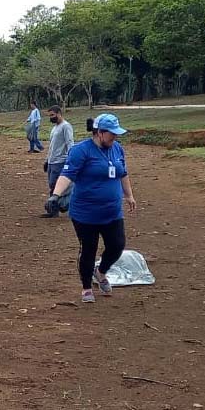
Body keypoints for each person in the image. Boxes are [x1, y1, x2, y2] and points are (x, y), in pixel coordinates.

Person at [49, 114, 137, 303]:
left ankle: (101, 271)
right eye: (112, 134)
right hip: (85, 214)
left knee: (117, 245)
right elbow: (67, 174)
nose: (115, 137)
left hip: (112, 211)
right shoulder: (80, 151)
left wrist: (129, 195)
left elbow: (123, 173)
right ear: (99, 132)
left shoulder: (117, 149)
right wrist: (55, 195)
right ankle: (87, 287)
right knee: (89, 249)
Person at [42, 105, 74, 218]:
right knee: (52, 185)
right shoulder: (55, 128)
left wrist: (70, 160)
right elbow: (51, 147)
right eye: (50, 115)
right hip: (52, 161)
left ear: (59, 113)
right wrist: (47, 160)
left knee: (57, 185)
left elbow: (70, 144)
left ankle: (63, 205)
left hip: (60, 161)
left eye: (52, 115)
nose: (51, 117)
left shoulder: (66, 126)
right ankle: (53, 209)